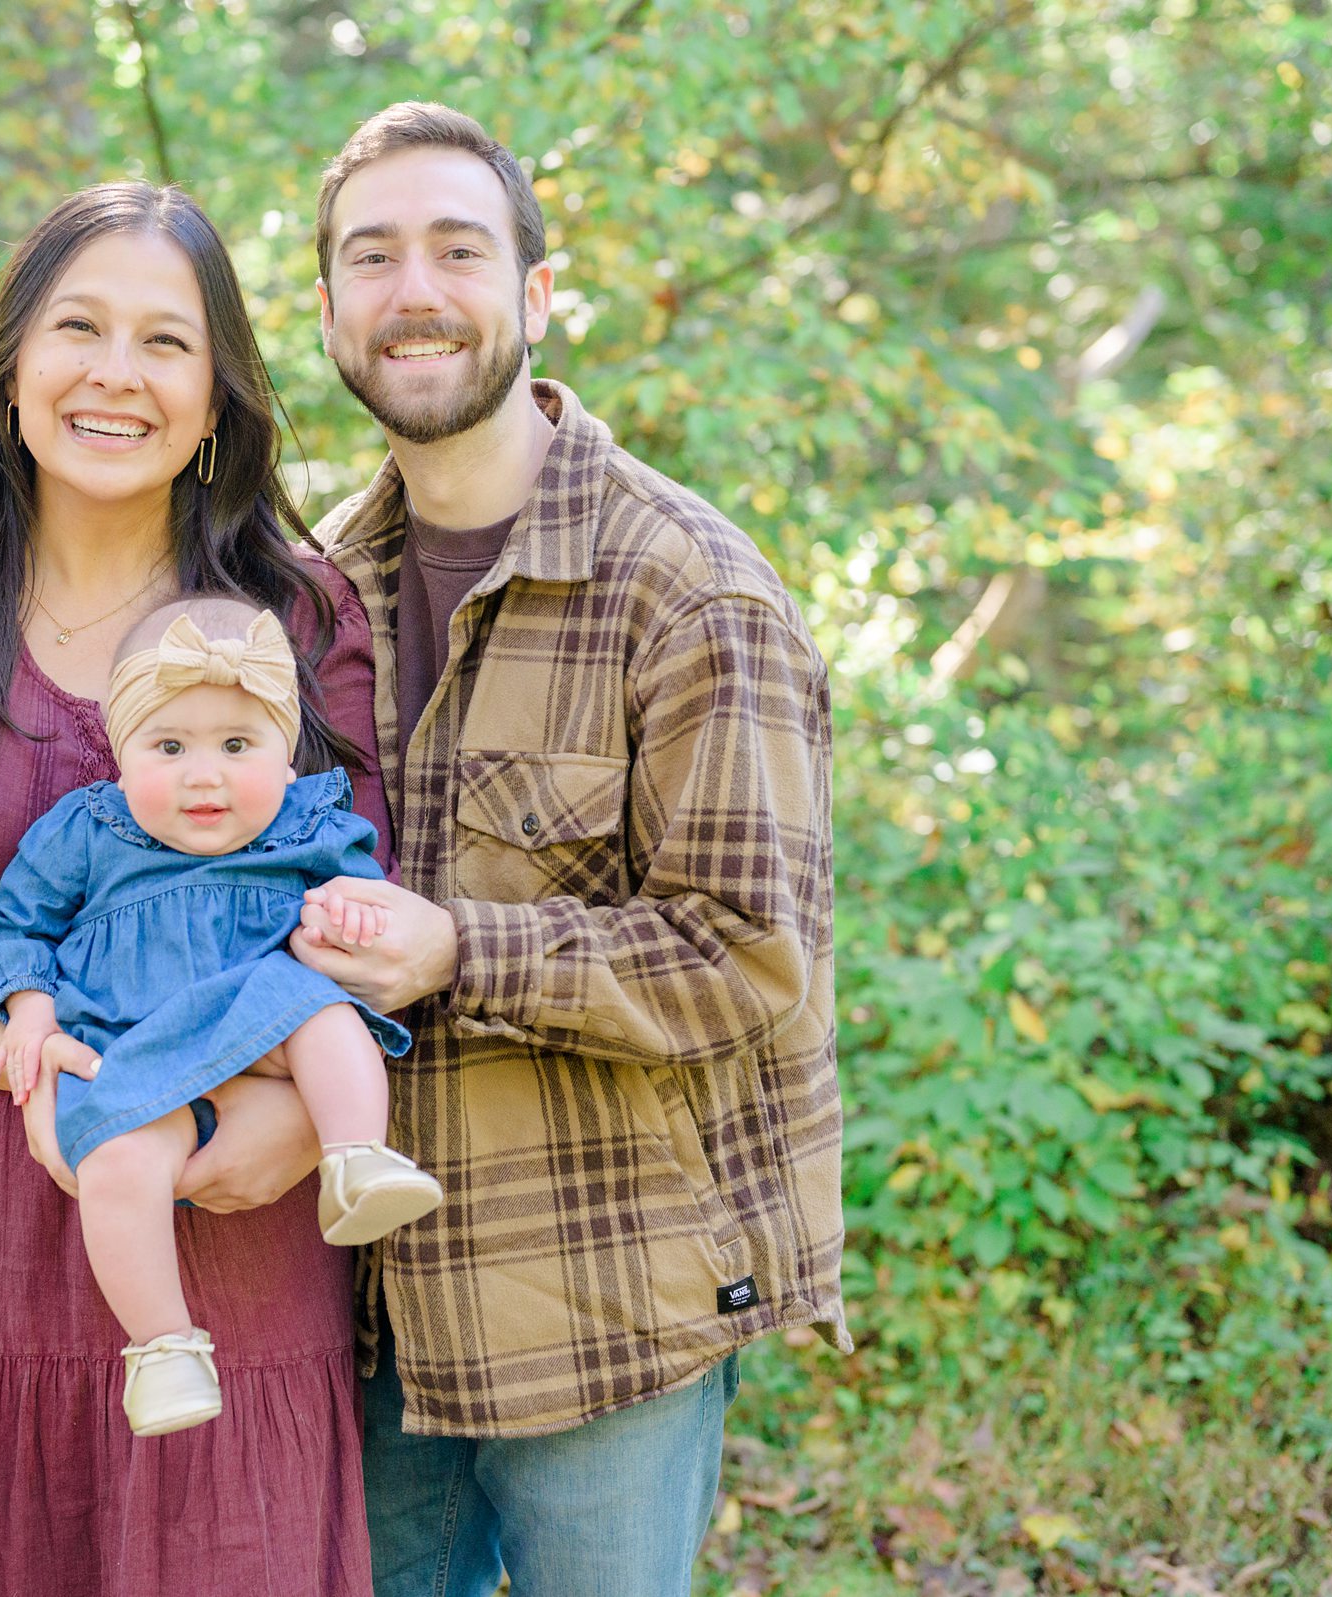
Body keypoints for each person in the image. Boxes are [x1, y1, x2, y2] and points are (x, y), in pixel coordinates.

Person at [0, 183, 388, 1596]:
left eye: (165, 341)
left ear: (217, 392)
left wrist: (287, 1113)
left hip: (224, 1246)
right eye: (77, 328)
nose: (115, 372)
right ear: (11, 366)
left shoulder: (303, 617)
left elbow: (354, 909)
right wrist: (52, 1069)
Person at [283, 103, 851, 1597]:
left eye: (459, 250)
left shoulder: (691, 591)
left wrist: (463, 949)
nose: (415, 288)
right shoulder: (310, 600)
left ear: (534, 297)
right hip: (367, 1302)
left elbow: (749, 959)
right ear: (330, 308)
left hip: (609, 1301)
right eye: (373, 254)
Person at [0, 596, 442, 1438]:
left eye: (237, 746)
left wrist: (347, 915)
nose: (204, 774)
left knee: (325, 1012)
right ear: (119, 757)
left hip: (264, 1012)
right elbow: (19, 923)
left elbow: (360, 899)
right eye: (169, 746)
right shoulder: (90, 828)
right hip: (135, 1050)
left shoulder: (309, 825)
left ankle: (355, 1158)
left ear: (286, 758)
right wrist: (31, 1011)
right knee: (115, 1164)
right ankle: (162, 1347)